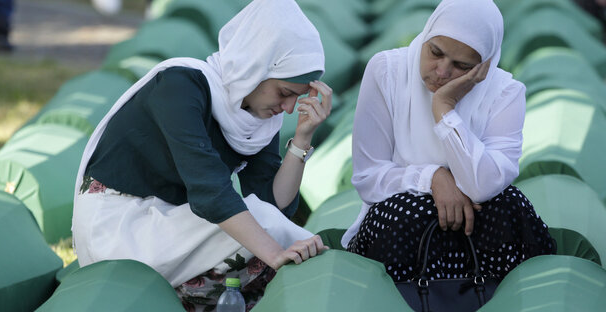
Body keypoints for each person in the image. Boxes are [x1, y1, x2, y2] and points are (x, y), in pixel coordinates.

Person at [72, 0, 331, 310]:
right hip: (118, 228)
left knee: (269, 224)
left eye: (297, 97)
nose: (288, 108)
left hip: (173, 229)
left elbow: (273, 203)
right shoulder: (180, 85)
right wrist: (275, 253)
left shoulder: (257, 116)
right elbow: (209, 191)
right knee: (268, 234)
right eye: (284, 92)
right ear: (256, 65)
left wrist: (302, 137)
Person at [342, 0, 556, 284]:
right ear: (427, 34)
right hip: (402, 229)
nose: (442, 72)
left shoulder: (506, 92)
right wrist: (433, 177)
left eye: (461, 66)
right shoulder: (387, 71)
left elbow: (484, 186)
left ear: (485, 65)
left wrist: (445, 110)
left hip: (474, 233)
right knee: (408, 214)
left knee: (508, 205)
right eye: (435, 52)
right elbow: (368, 178)